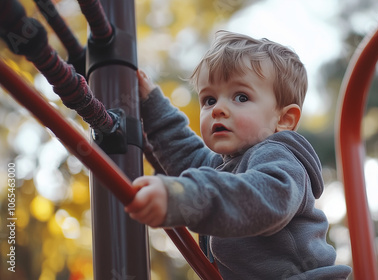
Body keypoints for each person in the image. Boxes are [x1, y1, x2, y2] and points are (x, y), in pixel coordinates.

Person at [125, 30, 352, 279]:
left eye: (241, 97)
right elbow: (187, 155)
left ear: (284, 120)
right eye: (209, 100)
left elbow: (265, 198)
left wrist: (184, 196)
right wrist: (152, 105)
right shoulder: (223, 168)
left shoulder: (280, 155)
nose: (218, 109)